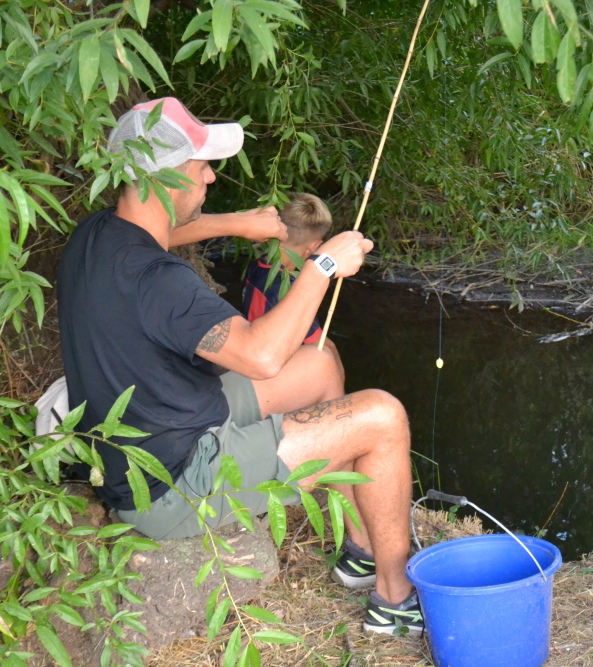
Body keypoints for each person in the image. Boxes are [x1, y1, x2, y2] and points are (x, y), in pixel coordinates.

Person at [57, 97, 422, 635]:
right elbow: (262, 355)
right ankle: (396, 600)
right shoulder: (161, 283)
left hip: (165, 427)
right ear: (166, 176)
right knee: (383, 418)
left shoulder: (97, 235)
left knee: (320, 365)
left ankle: (362, 549)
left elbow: (164, 232)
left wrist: (239, 224)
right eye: (200, 165)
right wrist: (322, 265)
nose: (209, 175)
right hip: (173, 484)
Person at [241, 193, 333, 347]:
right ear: (314, 246)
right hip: (267, 358)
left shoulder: (257, 265)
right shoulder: (289, 290)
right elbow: (320, 345)